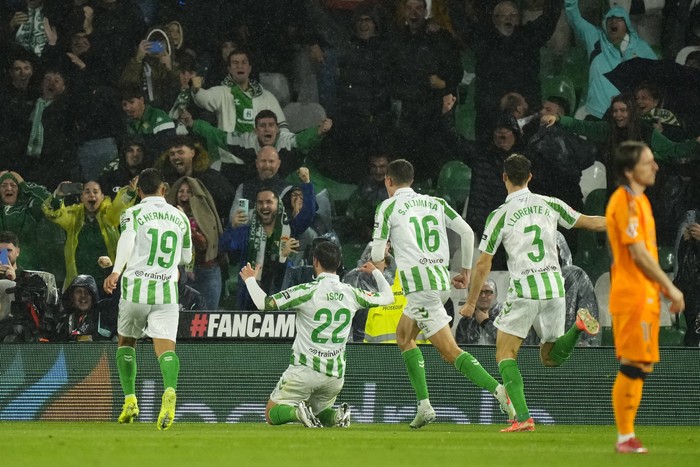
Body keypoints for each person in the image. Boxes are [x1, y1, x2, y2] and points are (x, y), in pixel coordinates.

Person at [461, 154, 606, 432]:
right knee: (550, 357)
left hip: (525, 290)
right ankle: (577, 327)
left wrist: (470, 302)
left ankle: (523, 418)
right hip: (554, 287)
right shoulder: (549, 203)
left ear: (504, 177)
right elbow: (589, 222)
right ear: (530, 177)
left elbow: (483, 263)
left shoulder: (499, 215)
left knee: (505, 353)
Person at [370, 159, 514, 428]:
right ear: (411, 180)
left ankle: (500, 392)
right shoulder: (436, 203)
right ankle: (424, 405)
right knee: (404, 336)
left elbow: (377, 254)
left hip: (421, 287)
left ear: (389, 181)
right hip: (440, 280)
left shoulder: (388, 206)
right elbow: (467, 232)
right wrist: (466, 270)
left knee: (450, 352)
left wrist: (386, 251)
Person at [240, 241, 394, 427]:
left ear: (315, 261)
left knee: (271, 412)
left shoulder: (307, 291)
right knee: (319, 412)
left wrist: (249, 279)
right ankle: (337, 416)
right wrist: (376, 272)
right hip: (335, 376)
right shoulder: (352, 293)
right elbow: (388, 297)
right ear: (338, 264)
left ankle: (297, 413)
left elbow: (264, 304)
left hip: (305, 371)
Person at [605, 141, 684, 453]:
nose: (656, 167)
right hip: (631, 295)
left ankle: (628, 435)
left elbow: (647, 252)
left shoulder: (642, 202)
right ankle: (625, 437)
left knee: (641, 366)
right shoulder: (624, 202)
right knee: (632, 364)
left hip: (647, 295)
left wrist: (663, 289)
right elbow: (638, 254)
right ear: (629, 170)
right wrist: (672, 287)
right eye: (648, 162)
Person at [103, 168, 192, 431]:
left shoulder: (132, 213)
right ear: (164, 189)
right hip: (166, 291)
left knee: (126, 341)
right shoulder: (180, 217)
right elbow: (186, 258)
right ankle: (170, 389)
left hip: (136, 289)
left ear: (139, 191)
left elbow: (128, 239)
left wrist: (116, 270)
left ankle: (130, 399)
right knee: (165, 348)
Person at [221, 183, 314, 311]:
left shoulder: (290, 228)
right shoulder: (248, 231)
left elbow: (308, 215)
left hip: (280, 290)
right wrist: (232, 226)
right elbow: (226, 246)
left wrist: (307, 183)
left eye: (269, 202)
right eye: (260, 202)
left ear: (278, 205)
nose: (264, 206)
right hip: (250, 292)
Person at [564, 0, 656, 119]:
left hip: (628, 116)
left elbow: (657, 78)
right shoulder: (594, 37)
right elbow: (574, 18)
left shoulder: (641, 48)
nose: (613, 21)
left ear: (627, 25)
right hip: (597, 113)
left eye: (619, 19)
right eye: (610, 19)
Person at [42, 180, 137, 292]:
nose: (91, 194)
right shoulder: (73, 217)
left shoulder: (109, 215)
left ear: (102, 196)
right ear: (82, 198)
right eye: (87, 192)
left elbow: (119, 207)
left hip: (109, 283)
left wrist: (129, 193)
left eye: (95, 192)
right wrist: (58, 194)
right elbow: (54, 213)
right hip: (80, 284)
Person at [166, 176, 223, 310]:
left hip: (206, 272)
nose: (184, 195)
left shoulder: (205, 214)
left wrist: (184, 222)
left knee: (206, 320)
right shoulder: (167, 214)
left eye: (189, 191)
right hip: (178, 273)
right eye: (181, 191)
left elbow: (203, 244)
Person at [0, 170, 51, 270]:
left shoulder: (29, 209)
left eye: (13, 185)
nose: (8, 188)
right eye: (3, 185)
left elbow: (49, 200)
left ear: (19, 190)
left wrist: (24, 185)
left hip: (27, 267)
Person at [53, 274, 116, 342]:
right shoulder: (64, 322)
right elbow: (57, 348)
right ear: (71, 296)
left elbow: (120, 300)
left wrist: (112, 273)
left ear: (93, 296)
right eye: (79, 292)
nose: (83, 296)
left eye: (87, 292)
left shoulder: (104, 314)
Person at [455, 279, 501, 345]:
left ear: (495, 295)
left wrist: (485, 322)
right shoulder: (465, 322)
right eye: (478, 292)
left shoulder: (504, 315)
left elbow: (509, 340)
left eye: (488, 292)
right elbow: (461, 349)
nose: (483, 296)